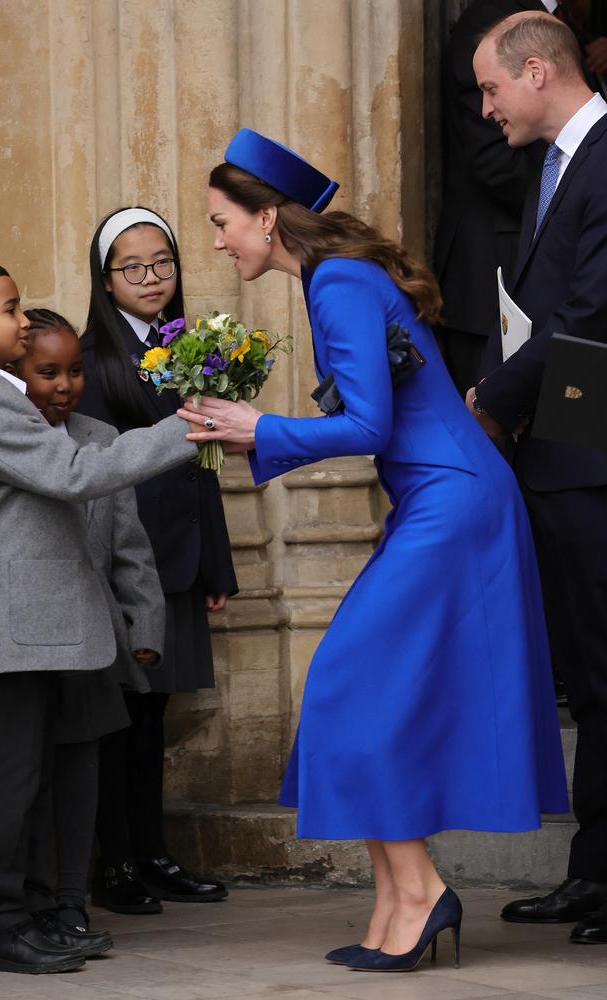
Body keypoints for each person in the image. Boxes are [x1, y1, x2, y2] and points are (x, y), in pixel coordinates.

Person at [180, 128, 568, 973]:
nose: (216, 241)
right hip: (441, 498)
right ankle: (401, 895)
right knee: (359, 694)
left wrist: (260, 427)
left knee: (346, 684)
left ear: (268, 217)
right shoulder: (338, 278)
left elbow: (369, 425)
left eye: (221, 222)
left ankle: (420, 891)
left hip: (453, 504)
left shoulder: (339, 280)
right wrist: (260, 439)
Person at [0, 261, 197, 974]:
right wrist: (187, 424)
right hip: (9, 624)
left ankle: (30, 915)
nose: (23, 320)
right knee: (4, 780)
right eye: (10, 309)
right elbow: (74, 474)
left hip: (29, 624)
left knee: (29, 778)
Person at [468, 11, 607, 944]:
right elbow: (530, 306)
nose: (484, 111)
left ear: (534, 71)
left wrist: (494, 401)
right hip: (564, 450)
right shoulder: (550, 168)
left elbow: (593, 318)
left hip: (592, 455)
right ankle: (594, 874)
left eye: (489, 89)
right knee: (594, 681)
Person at [76, 207, 236, 911]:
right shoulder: (90, 359)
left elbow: (205, 460)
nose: (150, 278)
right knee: (120, 725)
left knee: (155, 723)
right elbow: (95, 477)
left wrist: (217, 563)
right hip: (127, 566)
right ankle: (113, 865)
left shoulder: (191, 345)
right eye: (132, 267)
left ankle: (152, 854)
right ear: (105, 280)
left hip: (182, 556)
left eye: (162, 263)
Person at [13, 308, 167, 955]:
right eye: (47, 372)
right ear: (17, 376)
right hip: (20, 642)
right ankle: (30, 901)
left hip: (92, 642)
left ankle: (73, 902)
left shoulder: (102, 437)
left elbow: (130, 549)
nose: (64, 385)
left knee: (81, 776)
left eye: (74, 371)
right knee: (26, 780)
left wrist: (146, 621)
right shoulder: (4, 439)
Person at [434, 0, 547, 397]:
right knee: (489, 441)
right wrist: (571, 205)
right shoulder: (489, 22)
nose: (487, 107)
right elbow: (494, 164)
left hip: (527, 274)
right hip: (487, 276)